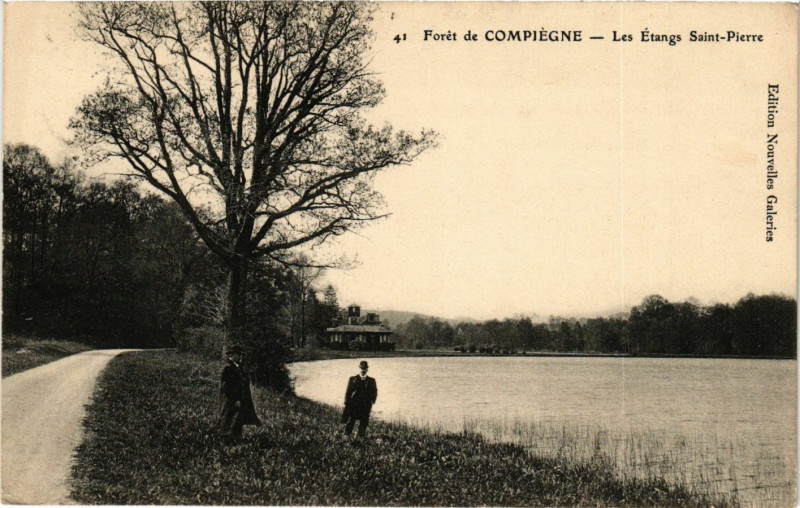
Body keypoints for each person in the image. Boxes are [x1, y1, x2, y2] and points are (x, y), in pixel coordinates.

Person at [218, 345, 261, 440]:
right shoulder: (227, 368)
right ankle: (227, 439)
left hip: (241, 398)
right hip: (231, 399)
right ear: (231, 356)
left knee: (238, 418)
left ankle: (236, 438)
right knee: (229, 418)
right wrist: (234, 399)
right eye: (237, 354)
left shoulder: (239, 367)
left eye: (239, 354)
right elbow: (226, 386)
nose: (239, 356)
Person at [342, 360, 378, 438]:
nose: (363, 370)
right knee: (351, 420)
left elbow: (374, 392)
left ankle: (361, 437)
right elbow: (348, 391)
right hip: (354, 405)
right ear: (359, 369)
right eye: (361, 368)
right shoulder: (353, 379)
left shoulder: (371, 381)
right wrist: (346, 402)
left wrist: (372, 401)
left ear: (367, 370)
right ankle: (346, 435)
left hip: (365, 405)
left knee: (364, 421)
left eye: (364, 369)